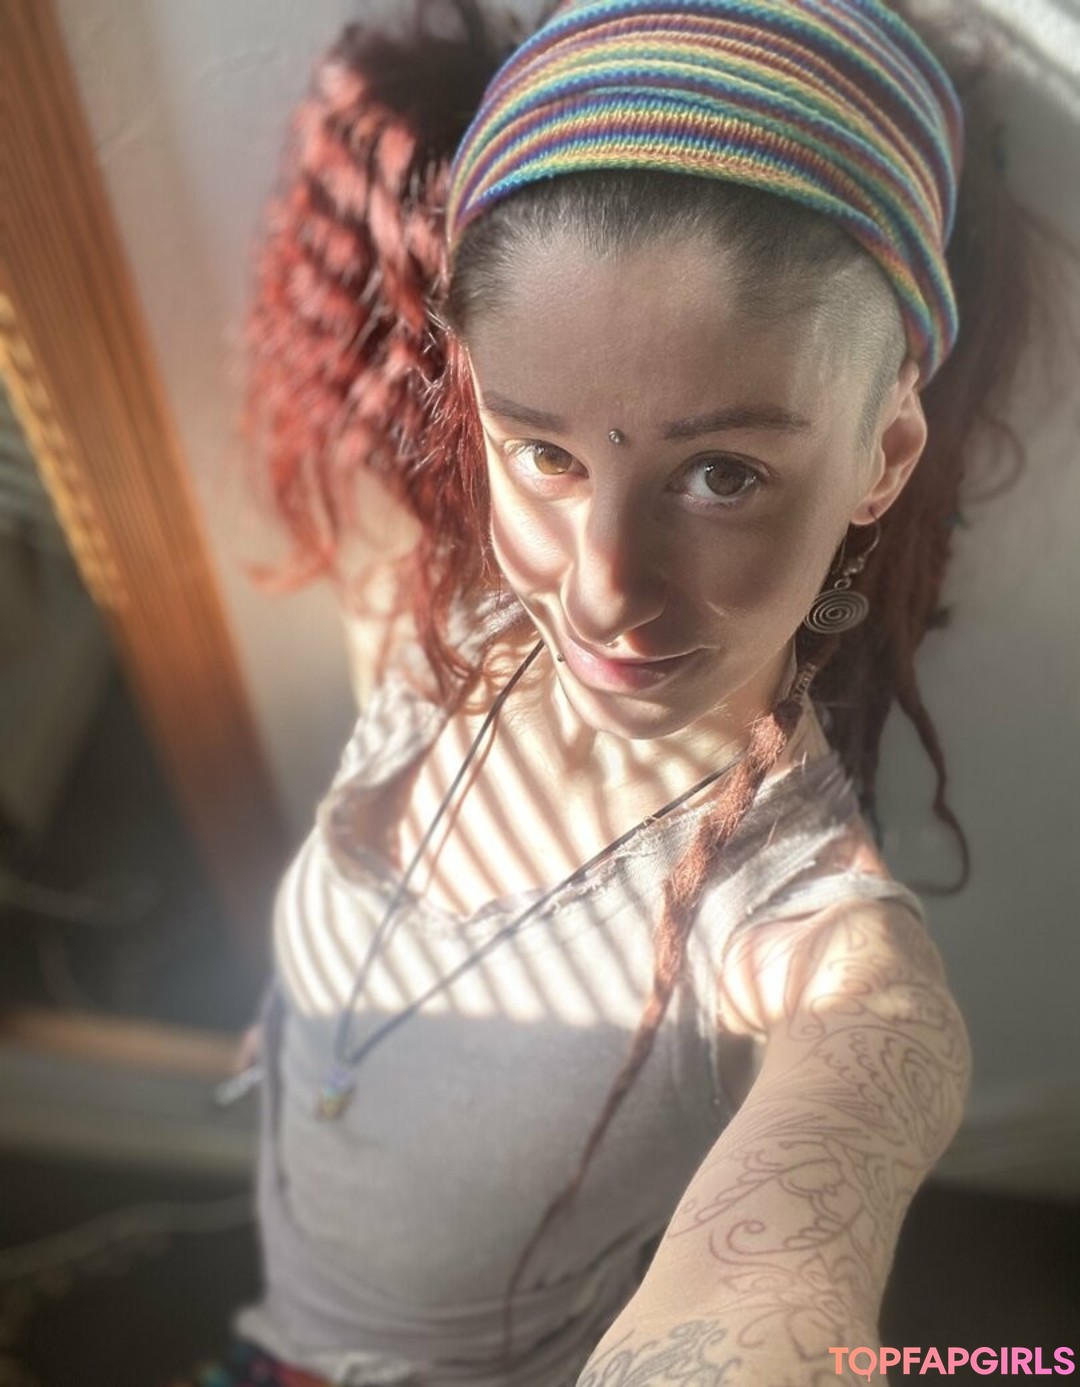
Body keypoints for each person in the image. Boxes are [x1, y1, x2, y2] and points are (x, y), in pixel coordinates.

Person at [177, 0, 1039, 1383]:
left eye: (723, 476)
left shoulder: (800, 931)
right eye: (545, 454)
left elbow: (840, 1131)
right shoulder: (431, 624)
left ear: (883, 455)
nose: (599, 593)